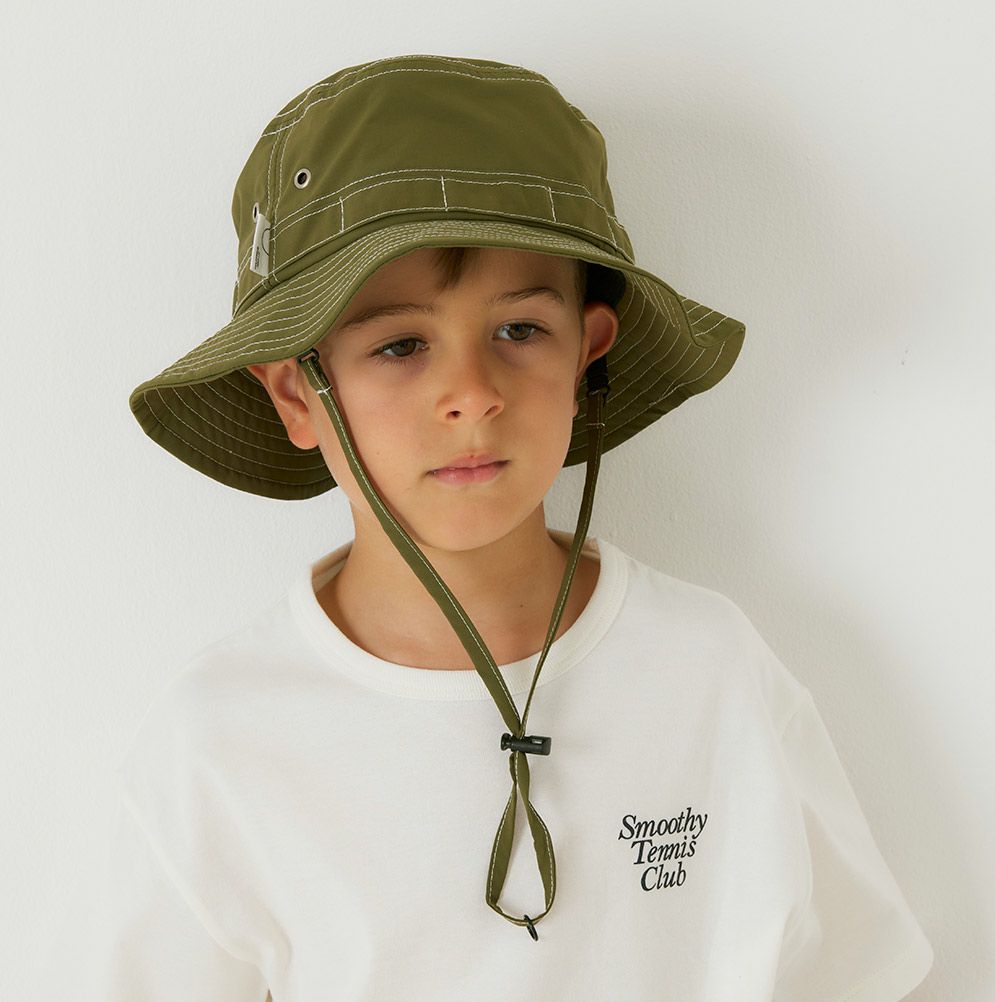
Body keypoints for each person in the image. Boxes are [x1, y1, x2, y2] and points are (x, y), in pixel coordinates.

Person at [35, 53, 934, 1000]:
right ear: (298, 394)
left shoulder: (710, 670)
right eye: (400, 344)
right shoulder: (220, 741)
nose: (470, 394)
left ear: (587, 355)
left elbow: (859, 979)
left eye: (518, 330)